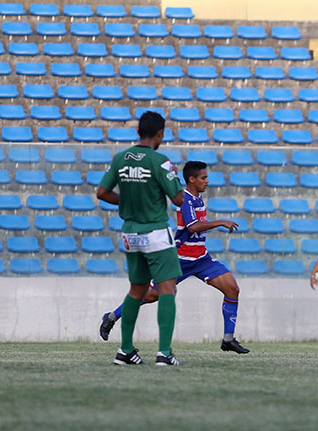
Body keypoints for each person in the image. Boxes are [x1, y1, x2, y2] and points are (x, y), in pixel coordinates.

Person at [99, 161, 250, 354]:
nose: (207, 181)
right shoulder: (185, 199)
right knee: (151, 295)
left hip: (201, 259)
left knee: (232, 288)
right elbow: (192, 226)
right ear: (192, 180)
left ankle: (228, 339)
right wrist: (220, 222)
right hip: (180, 259)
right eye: (203, 177)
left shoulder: (197, 196)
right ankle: (111, 317)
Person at [96, 111, 184, 366]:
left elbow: (102, 192)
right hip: (155, 232)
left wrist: (128, 199)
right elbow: (177, 199)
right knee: (167, 289)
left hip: (130, 234)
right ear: (160, 134)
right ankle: (164, 353)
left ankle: (125, 351)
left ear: (138, 132)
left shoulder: (121, 159)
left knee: (136, 290)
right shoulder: (161, 161)